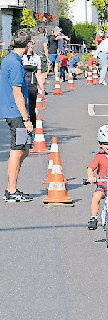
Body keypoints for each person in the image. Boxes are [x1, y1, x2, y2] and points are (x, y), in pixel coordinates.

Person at [0, 30, 33, 202]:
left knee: (24, 149)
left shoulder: (11, 59)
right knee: (17, 150)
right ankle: (11, 190)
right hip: (17, 113)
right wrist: (26, 119)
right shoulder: (15, 63)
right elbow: (17, 92)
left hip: (15, 111)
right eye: (31, 43)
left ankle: (11, 187)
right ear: (28, 45)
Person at [22, 36, 41, 128]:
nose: (31, 46)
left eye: (33, 44)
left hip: (32, 85)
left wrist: (41, 87)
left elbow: (38, 73)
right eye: (29, 43)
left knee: (32, 107)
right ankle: (23, 125)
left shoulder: (37, 57)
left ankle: (33, 127)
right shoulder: (21, 57)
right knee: (23, 105)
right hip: (22, 84)